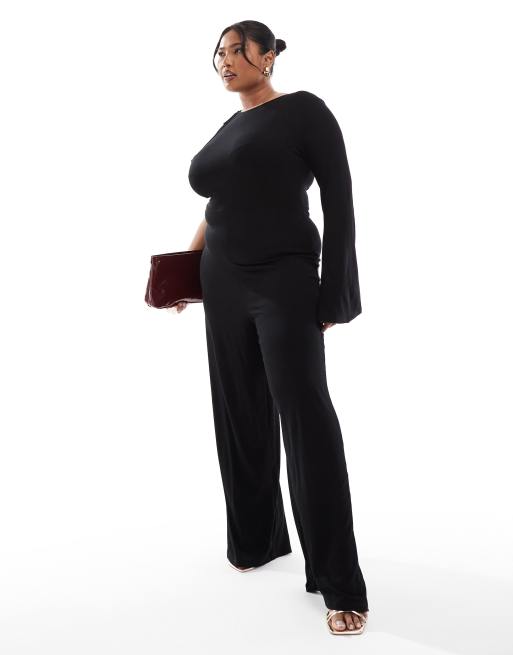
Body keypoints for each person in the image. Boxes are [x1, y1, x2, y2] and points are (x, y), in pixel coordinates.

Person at [173, 20, 369, 636]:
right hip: (222, 282)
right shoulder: (229, 127)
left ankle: (339, 583)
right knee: (238, 411)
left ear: (269, 56)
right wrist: (184, 271)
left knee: (306, 419)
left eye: (237, 50)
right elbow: (218, 205)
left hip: (283, 280)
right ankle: (257, 541)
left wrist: (335, 292)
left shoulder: (304, 112)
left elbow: (339, 199)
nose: (224, 61)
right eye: (219, 53)